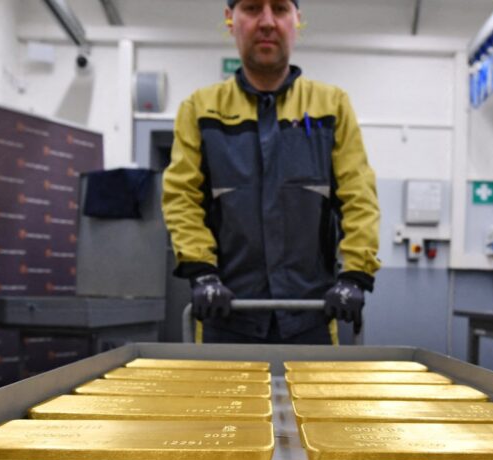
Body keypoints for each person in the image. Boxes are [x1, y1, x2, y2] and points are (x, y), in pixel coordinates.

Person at [163, 0, 381, 344]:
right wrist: (202, 274)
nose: (267, 22)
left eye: (279, 9)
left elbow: (359, 197)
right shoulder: (200, 110)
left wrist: (354, 275)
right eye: (252, 8)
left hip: (312, 317)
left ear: (297, 20)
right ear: (230, 20)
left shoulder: (331, 106)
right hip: (226, 317)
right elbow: (181, 198)